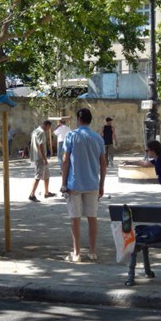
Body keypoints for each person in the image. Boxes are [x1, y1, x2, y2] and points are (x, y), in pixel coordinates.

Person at [61, 108, 106, 262]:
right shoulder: (98, 138)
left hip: (74, 183)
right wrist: (102, 184)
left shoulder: (71, 136)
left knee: (75, 218)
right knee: (92, 217)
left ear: (78, 120)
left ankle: (77, 252)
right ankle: (93, 251)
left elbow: (65, 160)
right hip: (93, 183)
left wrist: (63, 183)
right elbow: (103, 164)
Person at [28, 120, 56, 202]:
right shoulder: (41, 132)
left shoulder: (35, 131)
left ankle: (46, 193)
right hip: (40, 157)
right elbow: (41, 145)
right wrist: (44, 158)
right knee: (38, 176)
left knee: (47, 175)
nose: (49, 129)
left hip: (38, 156)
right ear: (46, 125)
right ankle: (32, 195)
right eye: (49, 127)